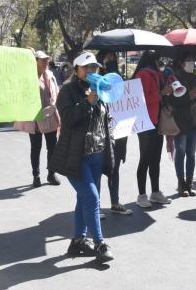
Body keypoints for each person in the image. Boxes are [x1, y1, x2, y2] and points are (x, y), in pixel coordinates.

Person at [50, 52, 115, 263]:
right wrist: (87, 102)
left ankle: (78, 241)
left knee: (84, 199)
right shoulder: (67, 91)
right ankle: (99, 242)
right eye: (86, 68)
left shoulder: (102, 90)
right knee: (92, 198)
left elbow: (106, 121)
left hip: (97, 154)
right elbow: (67, 119)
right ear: (77, 70)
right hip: (76, 156)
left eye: (94, 68)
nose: (91, 71)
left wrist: (111, 144)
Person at [133, 51, 173, 207]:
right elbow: (141, 98)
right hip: (145, 122)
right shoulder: (143, 75)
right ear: (153, 60)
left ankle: (155, 192)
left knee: (155, 159)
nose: (160, 63)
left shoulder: (157, 74)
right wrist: (161, 93)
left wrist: (166, 90)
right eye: (158, 60)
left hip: (156, 121)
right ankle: (142, 195)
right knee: (145, 159)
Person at [96, 50, 132, 215]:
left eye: (114, 58)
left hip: (118, 132)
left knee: (114, 168)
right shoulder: (96, 81)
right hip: (100, 132)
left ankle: (115, 202)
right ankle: (94, 206)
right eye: (108, 58)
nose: (112, 61)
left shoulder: (119, 80)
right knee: (97, 169)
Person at [168, 54, 196, 197]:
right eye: (189, 60)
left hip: (195, 121)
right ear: (182, 63)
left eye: (193, 60)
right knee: (181, 152)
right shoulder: (175, 78)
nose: (192, 63)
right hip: (180, 121)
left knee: (191, 154)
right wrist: (188, 97)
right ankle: (181, 183)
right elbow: (171, 101)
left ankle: (190, 183)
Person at [31, 51, 60, 187]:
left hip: (50, 115)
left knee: (52, 147)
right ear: (35, 61)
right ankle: (36, 175)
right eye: (43, 60)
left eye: (47, 60)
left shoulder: (50, 75)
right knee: (36, 147)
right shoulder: (29, 76)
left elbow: (56, 92)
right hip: (35, 117)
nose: (46, 62)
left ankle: (51, 173)